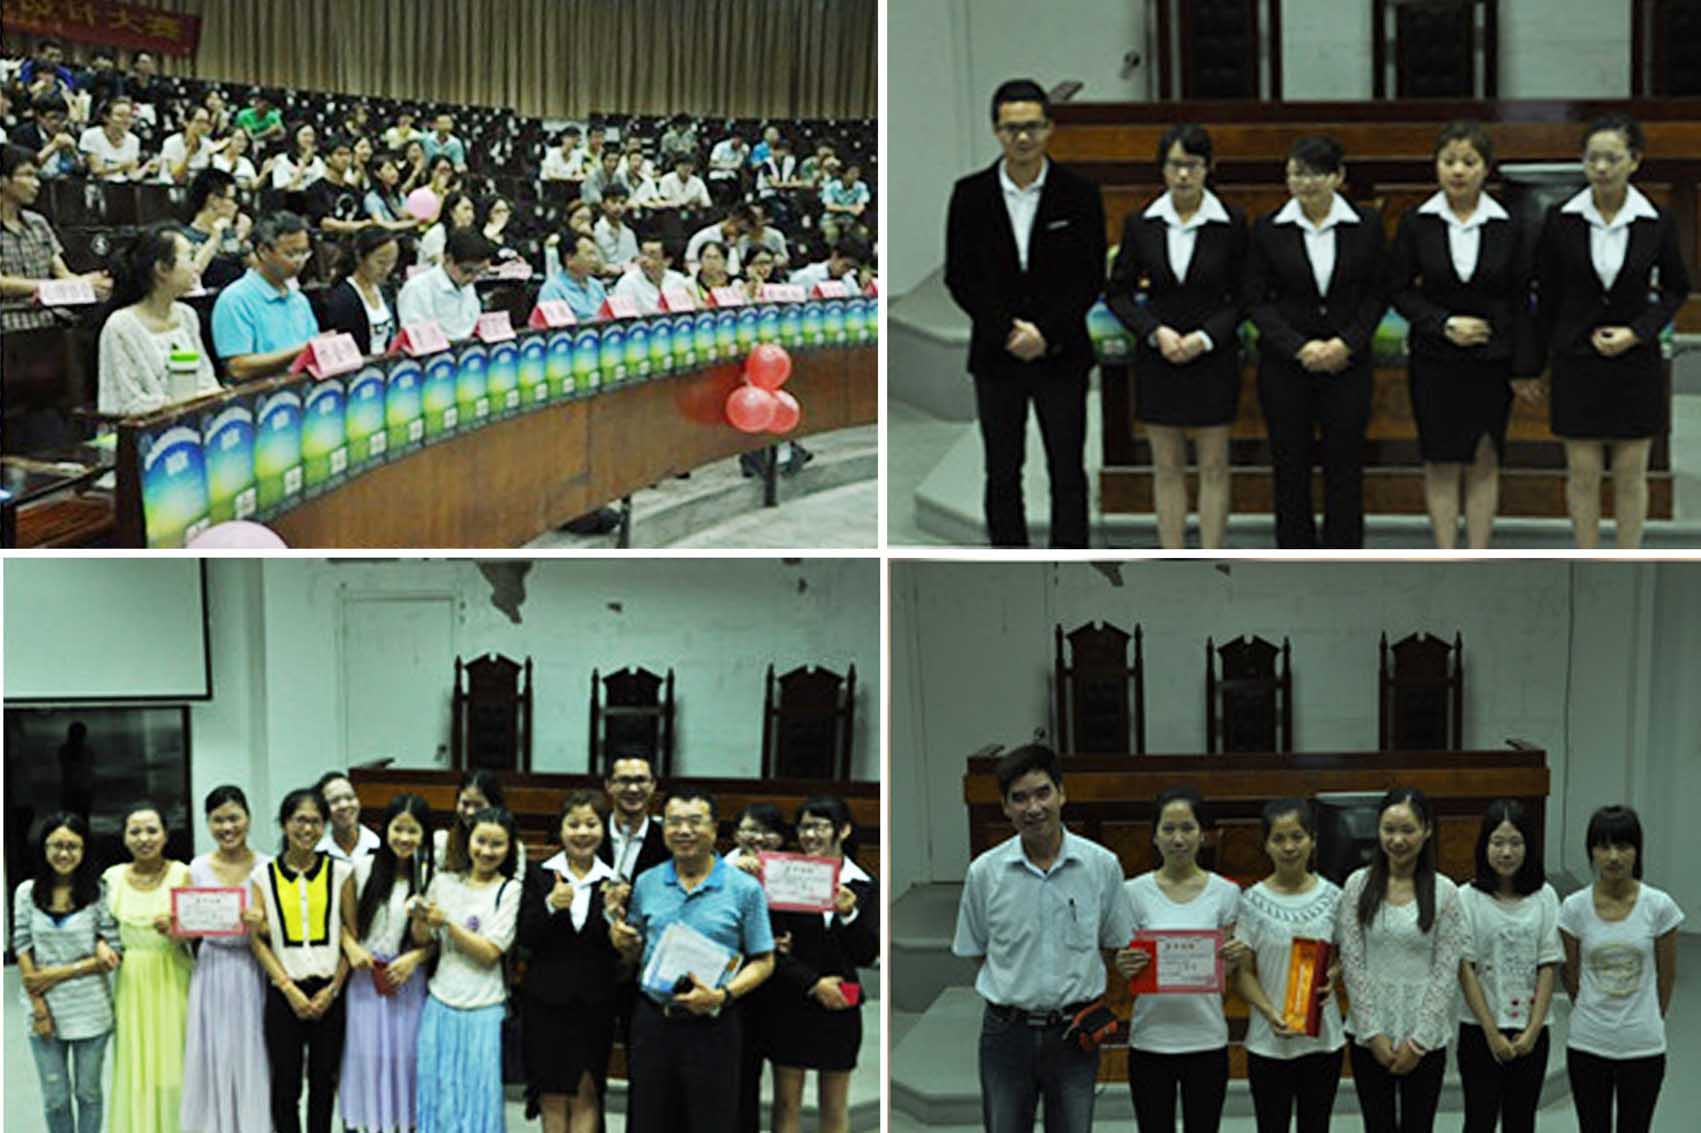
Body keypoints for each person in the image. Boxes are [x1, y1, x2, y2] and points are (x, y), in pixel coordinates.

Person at [945, 79, 1107, 548]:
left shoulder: (1079, 193)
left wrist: (1045, 333)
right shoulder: (970, 195)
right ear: (996, 131)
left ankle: (1070, 566)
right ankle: (1008, 564)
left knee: (1067, 470)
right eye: (1011, 128)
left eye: (1032, 126)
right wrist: (1006, 331)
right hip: (997, 355)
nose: (1022, 137)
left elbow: (1089, 276)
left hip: (1061, 353)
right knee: (1001, 470)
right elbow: (961, 277)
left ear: (1049, 128)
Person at [952, 744, 1135, 1133]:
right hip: (1006, 1034)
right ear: (1005, 807)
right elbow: (977, 950)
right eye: (1019, 798)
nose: (1033, 808)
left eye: (1042, 793)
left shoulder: (1101, 866)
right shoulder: (985, 873)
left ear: (1062, 794)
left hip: (1074, 1033)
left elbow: (1112, 942)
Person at [1533, 115, 1690, 549]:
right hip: (1576, 359)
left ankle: (1627, 561)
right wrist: (1537, 362)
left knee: (1630, 473)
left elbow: (1676, 289)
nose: (1601, 168)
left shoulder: (1656, 220)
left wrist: (1637, 332)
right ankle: (1587, 560)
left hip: (1634, 360)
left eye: (1612, 158)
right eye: (1592, 158)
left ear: (1634, 161)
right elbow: (1546, 294)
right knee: (1582, 473)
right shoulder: (1561, 219)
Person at [1390, 121, 1540, 549]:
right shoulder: (1417, 222)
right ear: (1436, 166)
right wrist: (1443, 324)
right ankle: (1445, 554)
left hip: (1492, 361)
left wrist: (1524, 366)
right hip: (1434, 359)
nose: (1458, 171)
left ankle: (1477, 555)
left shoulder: (1510, 225)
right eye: (1449, 161)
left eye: (1469, 162)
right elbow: (1398, 290)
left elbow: (1521, 299)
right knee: (1440, 458)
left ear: (1486, 169)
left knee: (1484, 456)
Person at [1106, 124, 1248, 550]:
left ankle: (1211, 558)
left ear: (1209, 168)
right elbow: (1118, 293)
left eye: (1192, 165)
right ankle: (1172, 557)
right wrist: (1154, 332)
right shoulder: (1142, 223)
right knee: (1166, 466)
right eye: (1174, 165)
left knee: (1213, 465)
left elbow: (1246, 296)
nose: (1183, 175)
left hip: (1213, 354)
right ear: (1162, 169)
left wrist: (1205, 337)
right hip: (1160, 354)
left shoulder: (1232, 223)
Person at [1244, 133, 1388, 549]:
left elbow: (1378, 293)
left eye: (1316, 174)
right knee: (1290, 463)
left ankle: (1344, 554)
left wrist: (1347, 343)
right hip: (1286, 366)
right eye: (1296, 174)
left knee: (1345, 463)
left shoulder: (1366, 225)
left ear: (1338, 177)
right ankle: (1295, 553)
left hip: (1348, 364)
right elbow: (1255, 300)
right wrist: (1298, 347)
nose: (1305, 184)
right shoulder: (1268, 228)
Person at [608, 788, 777, 1133]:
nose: (684, 830)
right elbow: (636, 952)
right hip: (654, 1020)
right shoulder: (647, 882)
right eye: (674, 822)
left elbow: (764, 960)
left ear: (714, 828)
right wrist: (622, 942)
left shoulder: (744, 888)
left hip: (713, 1024)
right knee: (649, 1120)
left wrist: (722, 995)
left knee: (711, 1121)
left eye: (695, 822)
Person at [1113, 786, 1245, 1133]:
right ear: (1154, 836)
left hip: (1207, 1038)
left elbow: (1227, 970)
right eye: (1168, 829)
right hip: (1150, 1039)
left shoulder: (1226, 892)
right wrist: (1124, 966)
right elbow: (1126, 962)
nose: (1178, 839)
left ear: (1203, 835)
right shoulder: (1132, 892)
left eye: (1187, 828)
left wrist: (1233, 958)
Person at [1337, 788, 1466, 1133]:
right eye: (1389, 829)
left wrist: (1419, 1041)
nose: (1397, 840)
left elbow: (1446, 972)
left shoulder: (1445, 892)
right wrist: (1373, 1034)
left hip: (1424, 1035)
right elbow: (1352, 962)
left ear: (1427, 831)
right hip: (1370, 1033)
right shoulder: (1357, 885)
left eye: (1408, 830)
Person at [1558, 805, 1683, 1133]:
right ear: (1591, 851)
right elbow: (1570, 975)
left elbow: (1666, 977)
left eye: (1623, 846)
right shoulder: (1573, 908)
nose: (1613, 856)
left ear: (1637, 850)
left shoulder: (1659, 906)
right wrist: (1592, 1010)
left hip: (1643, 1045)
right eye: (1603, 847)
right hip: (1588, 1043)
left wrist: (1647, 1017)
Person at [1233, 799, 1346, 1133]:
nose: (1289, 847)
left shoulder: (1334, 897)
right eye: (1278, 839)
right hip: (1268, 1040)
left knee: (1317, 1125)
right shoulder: (1251, 901)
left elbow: (1347, 957)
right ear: (1266, 845)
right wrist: (1270, 1013)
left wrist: (1333, 976)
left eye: (1297, 836)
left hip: (1322, 1040)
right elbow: (1243, 974)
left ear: (1312, 840)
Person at [767, 797, 878, 1133]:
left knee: (834, 1105)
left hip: (842, 998)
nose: (810, 835)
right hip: (792, 997)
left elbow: (866, 954)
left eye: (819, 826)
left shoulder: (864, 884)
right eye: (804, 827)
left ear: (843, 830)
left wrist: (849, 915)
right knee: (786, 1103)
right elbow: (772, 946)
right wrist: (813, 984)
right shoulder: (783, 877)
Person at [412, 805, 523, 1133]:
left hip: (484, 1007)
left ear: (509, 848)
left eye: (497, 844)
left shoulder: (510, 889)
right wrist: (419, 918)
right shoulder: (443, 882)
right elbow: (423, 939)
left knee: (478, 1099)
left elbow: (490, 952)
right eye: (481, 841)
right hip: (440, 1002)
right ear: (468, 840)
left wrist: (448, 923)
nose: (487, 851)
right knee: (437, 1093)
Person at [249, 787, 352, 1133]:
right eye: (299, 820)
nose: (307, 829)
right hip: (284, 992)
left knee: (324, 1082)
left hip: (329, 992)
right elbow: (257, 941)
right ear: (284, 824)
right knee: (285, 1084)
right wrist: (288, 988)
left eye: (315, 821)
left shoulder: (341, 873)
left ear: (324, 826)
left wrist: (333, 989)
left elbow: (350, 937)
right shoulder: (263, 876)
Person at [519, 791, 623, 1133]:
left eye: (591, 824)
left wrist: (614, 919)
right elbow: (524, 938)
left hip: (594, 1006)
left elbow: (617, 952)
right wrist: (550, 905)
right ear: (561, 829)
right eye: (574, 824)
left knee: (586, 1094)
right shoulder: (539, 875)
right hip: (545, 1005)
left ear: (603, 829)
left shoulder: (614, 882)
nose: (582, 832)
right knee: (551, 1095)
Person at [1455, 800, 1560, 1133]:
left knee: (1521, 1121)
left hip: (1531, 1032)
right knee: (1478, 1121)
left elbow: (1548, 965)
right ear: (1484, 846)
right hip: (1479, 1030)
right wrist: (1492, 1034)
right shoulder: (1466, 897)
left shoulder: (1545, 896)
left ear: (1528, 847)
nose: (1506, 852)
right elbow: (1465, 968)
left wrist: (1531, 1031)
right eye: (1497, 842)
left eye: (1515, 843)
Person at [15, 812, 122, 1133]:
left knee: (88, 1094)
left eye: (73, 846)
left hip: (91, 1010)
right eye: (57, 846)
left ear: (84, 849)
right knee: (55, 1100)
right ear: (44, 848)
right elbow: (22, 946)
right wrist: (39, 1007)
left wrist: (56, 973)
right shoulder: (27, 892)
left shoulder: (98, 892)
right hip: (44, 1009)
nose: (64, 853)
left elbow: (113, 951)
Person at [339, 793, 437, 1133]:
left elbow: (440, 941)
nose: (404, 838)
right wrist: (351, 947)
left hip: (408, 980)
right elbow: (340, 923)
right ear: (385, 830)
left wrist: (415, 957)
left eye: (413, 831)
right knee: (367, 1057)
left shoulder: (432, 878)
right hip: (366, 980)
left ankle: (403, 1125)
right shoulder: (362, 869)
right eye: (398, 829)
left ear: (425, 834)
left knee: (405, 1059)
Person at [180, 786, 272, 1133]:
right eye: (218, 820)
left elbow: (281, 928)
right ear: (208, 823)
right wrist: (174, 924)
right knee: (212, 1050)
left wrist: (261, 925)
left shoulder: (267, 867)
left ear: (248, 818)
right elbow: (188, 929)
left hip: (253, 966)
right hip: (212, 968)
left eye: (234, 818)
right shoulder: (197, 868)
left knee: (253, 1050)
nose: (227, 827)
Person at [104, 801, 194, 1133]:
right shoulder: (111, 877)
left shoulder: (183, 874)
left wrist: (178, 929)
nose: (144, 838)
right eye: (135, 831)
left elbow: (199, 931)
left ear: (166, 835)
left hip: (173, 975)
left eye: (152, 830)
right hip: (131, 980)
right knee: (135, 1063)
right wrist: (100, 944)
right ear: (124, 837)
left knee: (174, 1063)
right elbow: (99, 928)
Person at [97, 223, 221, 416]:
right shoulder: (121, 326)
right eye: (189, 258)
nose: (196, 267)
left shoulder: (187, 315)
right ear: (162, 269)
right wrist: (186, 404)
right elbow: (128, 403)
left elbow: (206, 379)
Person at [0, 145, 113, 332]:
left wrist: (89, 283)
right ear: (3, 181)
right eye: (28, 175)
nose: (36, 183)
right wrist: (57, 287)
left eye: (36, 176)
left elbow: (62, 273)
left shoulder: (38, 223)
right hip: (7, 325)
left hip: (47, 321)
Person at [210, 211, 321, 381]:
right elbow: (238, 368)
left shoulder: (299, 300)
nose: (299, 261)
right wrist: (300, 351)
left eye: (304, 253)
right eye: (291, 254)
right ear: (263, 251)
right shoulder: (235, 299)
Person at [396, 227, 493, 342]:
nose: (473, 278)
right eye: (467, 271)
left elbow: (471, 326)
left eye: (479, 272)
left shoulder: (467, 286)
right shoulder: (417, 288)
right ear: (448, 259)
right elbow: (417, 336)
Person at [320, 228, 400, 357]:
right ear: (360, 257)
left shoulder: (386, 291)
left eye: (392, 262)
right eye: (381, 262)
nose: (387, 269)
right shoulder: (344, 298)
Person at [434, 769, 528, 875]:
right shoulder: (443, 841)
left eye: (478, 805)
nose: (470, 812)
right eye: (465, 804)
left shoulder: (515, 848)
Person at [183, 168, 253, 288]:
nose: (235, 205)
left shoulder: (230, 232)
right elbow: (192, 276)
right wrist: (214, 239)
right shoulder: (185, 238)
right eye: (231, 199)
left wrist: (244, 241)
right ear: (214, 200)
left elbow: (244, 268)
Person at [79, 96, 154, 182]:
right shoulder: (91, 135)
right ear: (106, 117)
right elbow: (96, 170)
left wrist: (146, 167)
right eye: (120, 115)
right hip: (96, 186)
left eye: (130, 116)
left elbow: (132, 175)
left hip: (122, 186)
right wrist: (123, 166)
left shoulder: (134, 140)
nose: (126, 120)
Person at [538, 232, 609, 321]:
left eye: (594, 254)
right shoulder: (552, 290)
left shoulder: (597, 286)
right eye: (589, 254)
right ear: (569, 259)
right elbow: (557, 326)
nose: (595, 260)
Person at [613, 235, 690, 314]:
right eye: (642, 254)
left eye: (651, 255)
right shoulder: (626, 283)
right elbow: (624, 317)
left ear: (667, 261)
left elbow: (685, 313)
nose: (644, 260)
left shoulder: (678, 280)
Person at [315, 771, 381, 863]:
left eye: (349, 797)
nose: (344, 805)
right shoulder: (316, 853)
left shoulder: (380, 846)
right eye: (334, 800)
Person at [13, 94, 84, 180]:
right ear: (39, 117)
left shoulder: (70, 132)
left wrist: (73, 151)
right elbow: (24, 169)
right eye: (54, 118)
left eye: (63, 118)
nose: (59, 123)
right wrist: (53, 146)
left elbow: (82, 169)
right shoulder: (23, 134)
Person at [415, 188, 476, 269]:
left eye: (472, 210)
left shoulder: (467, 233)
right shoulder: (436, 233)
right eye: (466, 209)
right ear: (452, 212)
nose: (471, 215)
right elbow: (443, 267)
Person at [158, 106, 219, 185]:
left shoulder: (208, 145)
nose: (204, 126)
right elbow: (178, 179)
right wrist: (188, 155)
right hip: (170, 188)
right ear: (186, 122)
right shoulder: (171, 143)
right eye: (199, 121)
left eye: (206, 122)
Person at [686, 205, 755, 274]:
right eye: (739, 230)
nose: (738, 235)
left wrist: (733, 247)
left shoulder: (741, 241)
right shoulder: (704, 236)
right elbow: (690, 261)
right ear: (731, 220)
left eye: (742, 233)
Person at [819, 160, 870, 243]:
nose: (855, 176)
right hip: (832, 219)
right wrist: (849, 208)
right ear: (844, 174)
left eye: (857, 173)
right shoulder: (831, 187)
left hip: (852, 220)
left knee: (863, 233)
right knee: (832, 233)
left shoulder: (861, 186)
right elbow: (829, 206)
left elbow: (861, 204)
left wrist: (858, 209)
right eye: (852, 173)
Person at [789, 236, 867, 291]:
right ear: (835, 255)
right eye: (846, 265)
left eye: (851, 268)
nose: (846, 271)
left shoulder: (849, 281)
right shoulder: (805, 276)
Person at [594, 184, 640, 276]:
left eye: (622, 203)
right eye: (613, 201)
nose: (618, 206)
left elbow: (635, 260)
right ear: (603, 204)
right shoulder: (595, 231)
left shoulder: (629, 233)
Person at [271, 124, 326, 194]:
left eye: (311, 135)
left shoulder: (317, 161)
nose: (309, 139)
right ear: (295, 137)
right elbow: (287, 189)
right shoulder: (281, 160)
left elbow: (321, 187)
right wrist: (303, 165)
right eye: (305, 135)